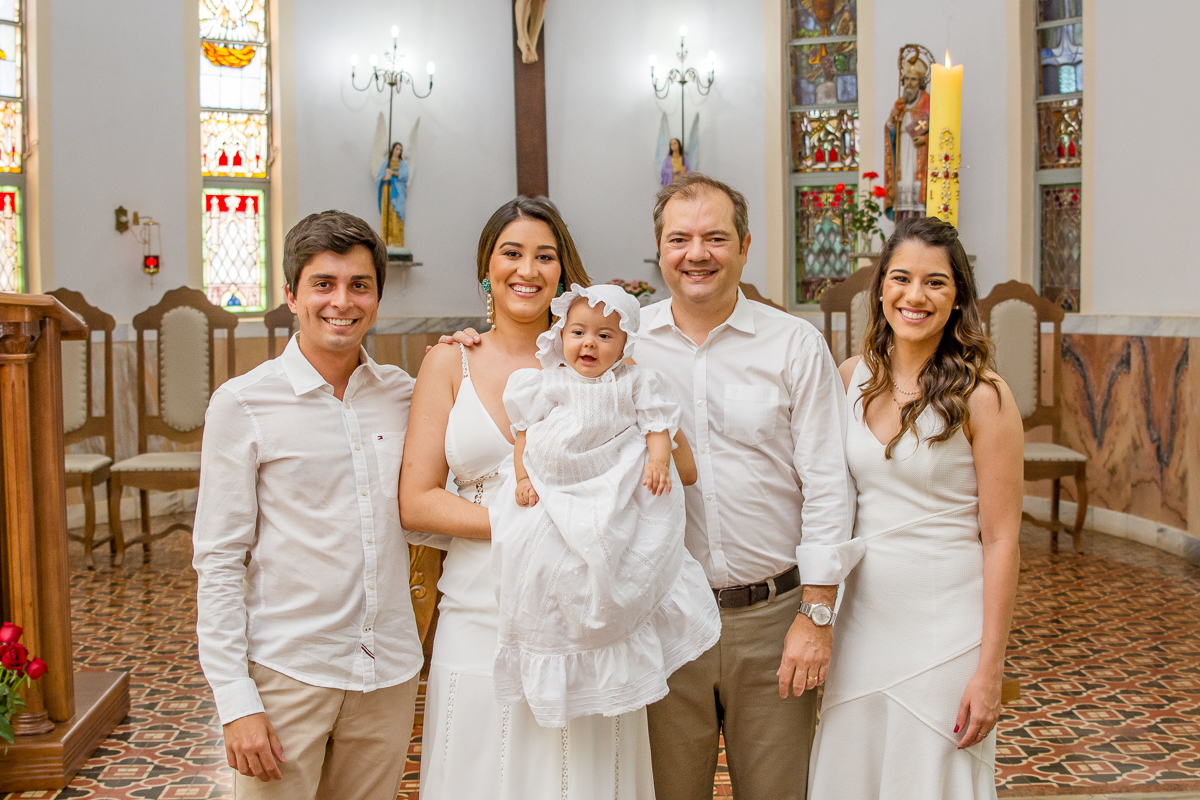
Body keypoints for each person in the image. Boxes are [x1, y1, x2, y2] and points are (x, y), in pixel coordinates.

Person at [398, 197, 655, 799]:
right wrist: (527, 526)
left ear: (563, 272)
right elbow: (416, 502)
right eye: (511, 253)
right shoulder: (449, 361)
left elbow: (666, 471)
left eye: (545, 256)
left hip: (583, 616)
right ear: (486, 267)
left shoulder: (602, 361)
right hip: (477, 610)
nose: (527, 269)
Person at [636, 172, 856, 800]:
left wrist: (816, 614)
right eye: (679, 239)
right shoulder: (625, 347)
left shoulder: (794, 345)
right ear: (659, 249)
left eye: (715, 238)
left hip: (774, 620)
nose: (697, 254)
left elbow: (828, 486)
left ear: (745, 245)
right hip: (663, 618)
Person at [193, 210, 423, 800]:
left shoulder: (406, 395)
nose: (342, 302)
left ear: (377, 297)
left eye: (359, 285)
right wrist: (235, 700)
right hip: (289, 673)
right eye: (324, 283)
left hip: (388, 671)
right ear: (291, 295)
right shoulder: (244, 403)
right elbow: (219, 560)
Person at [807, 216, 1023, 799]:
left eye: (935, 282)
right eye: (901, 278)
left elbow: (1002, 538)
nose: (915, 295)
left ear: (958, 299)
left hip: (945, 629)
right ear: (881, 289)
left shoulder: (984, 396)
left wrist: (991, 669)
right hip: (862, 623)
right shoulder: (850, 378)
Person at [490, 282, 719, 728]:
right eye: (578, 333)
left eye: (604, 335)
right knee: (538, 554)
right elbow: (525, 438)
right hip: (556, 481)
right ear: (560, 336)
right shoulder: (543, 383)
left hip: (612, 485)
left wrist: (657, 461)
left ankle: (612, 616)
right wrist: (523, 478)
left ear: (625, 344)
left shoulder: (637, 382)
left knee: (613, 541)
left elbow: (657, 428)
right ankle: (559, 628)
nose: (589, 343)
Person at [884, 55, 931, 222]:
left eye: (913, 79)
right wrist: (892, 120)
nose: (909, 83)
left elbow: (940, 132)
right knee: (903, 189)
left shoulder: (928, 103)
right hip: (903, 155)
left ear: (920, 82)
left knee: (917, 194)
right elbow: (891, 133)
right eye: (907, 79)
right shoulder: (900, 105)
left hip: (920, 156)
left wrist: (925, 140)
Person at [377, 141, 408, 247]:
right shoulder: (386, 163)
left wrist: (393, 173)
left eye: (400, 150)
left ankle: (397, 241)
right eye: (397, 149)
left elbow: (404, 175)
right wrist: (386, 177)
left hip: (398, 193)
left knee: (397, 215)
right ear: (393, 149)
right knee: (387, 214)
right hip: (387, 191)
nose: (398, 151)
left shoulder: (402, 164)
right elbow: (380, 177)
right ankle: (386, 240)